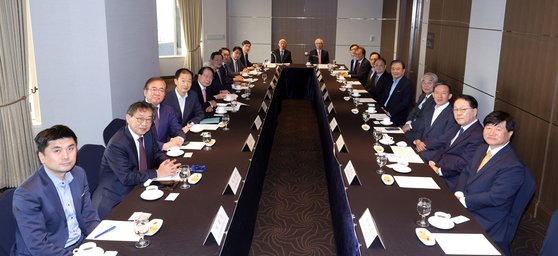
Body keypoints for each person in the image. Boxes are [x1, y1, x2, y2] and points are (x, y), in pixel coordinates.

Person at [455, 111, 535, 255]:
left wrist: (464, 201)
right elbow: (466, 172)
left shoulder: (513, 165)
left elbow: (495, 197)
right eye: (488, 127)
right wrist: (459, 192)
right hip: (469, 203)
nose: (491, 132)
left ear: (510, 134)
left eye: (498, 129)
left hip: (487, 218)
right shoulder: (482, 149)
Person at [12, 125, 100, 255]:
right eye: (57, 151)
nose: (66, 156)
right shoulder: (26, 193)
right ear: (42, 157)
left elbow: (88, 216)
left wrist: (102, 240)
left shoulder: (79, 174)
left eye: (70, 148)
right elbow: (39, 246)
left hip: (80, 245)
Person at [92, 102, 181, 219]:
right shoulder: (117, 144)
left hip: (141, 185)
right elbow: (126, 177)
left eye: (149, 119)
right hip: (118, 196)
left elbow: (156, 153)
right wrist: (158, 173)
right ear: (128, 118)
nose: (144, 124)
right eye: (140, 119)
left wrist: (167, 164)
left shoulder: (148, 132)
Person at [428, 95, 485, 191]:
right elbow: (444, 148)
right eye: (455, 109)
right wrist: (432, 162)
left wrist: (439, 171)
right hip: (437, 168)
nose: (458, 113)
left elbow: (464, 163)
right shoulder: (457, 126)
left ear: (475, 112)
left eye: (463, 110)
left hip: (452, 180)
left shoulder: (478, 135)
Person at [406, 82, 458, 161]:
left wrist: (424, 145)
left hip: (435, 151)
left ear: (450, 96)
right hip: (420, 146)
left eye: (443, 93)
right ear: (433, 95)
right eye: (436, 93)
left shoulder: (453, 114)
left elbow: (446, 137)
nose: (439, 96)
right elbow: (421, 128)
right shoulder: (430, 110)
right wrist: (417, 140)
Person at [143, 77, 186, 150]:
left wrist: (179, 139)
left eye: (161, 90)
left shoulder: (168, 110)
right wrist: (163, 146)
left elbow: (177, 129)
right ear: (145, 92)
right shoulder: (137, 112)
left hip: (165, 153)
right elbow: (140, 140)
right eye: (154, 89)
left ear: (164, 94)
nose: (157, 93)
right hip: (145, 155)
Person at [380, 60, 414, 126]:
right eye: (393, 69)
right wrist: (381, 107)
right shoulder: (390, 81)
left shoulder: (408, 84)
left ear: (403, 70)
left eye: (398, 69)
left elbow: (404, 104)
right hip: (384, 112)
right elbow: (384, 96)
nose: (395, 71)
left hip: (396, 117)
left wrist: (389, 113)